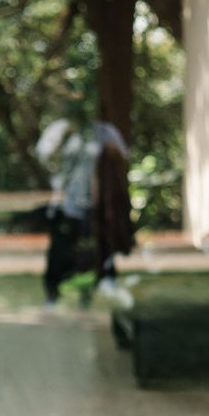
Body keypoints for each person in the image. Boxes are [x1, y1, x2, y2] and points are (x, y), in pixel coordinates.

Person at [35, 115, 132, 305]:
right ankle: (52, 297)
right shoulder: (59, 128)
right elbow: (44, 158)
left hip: (96, 207)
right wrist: (63, 138)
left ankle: (90, 297)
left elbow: (123, 160)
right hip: (67, 205)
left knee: (96, 253)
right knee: (60, 254)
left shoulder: (105, 131)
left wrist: (112, 154)